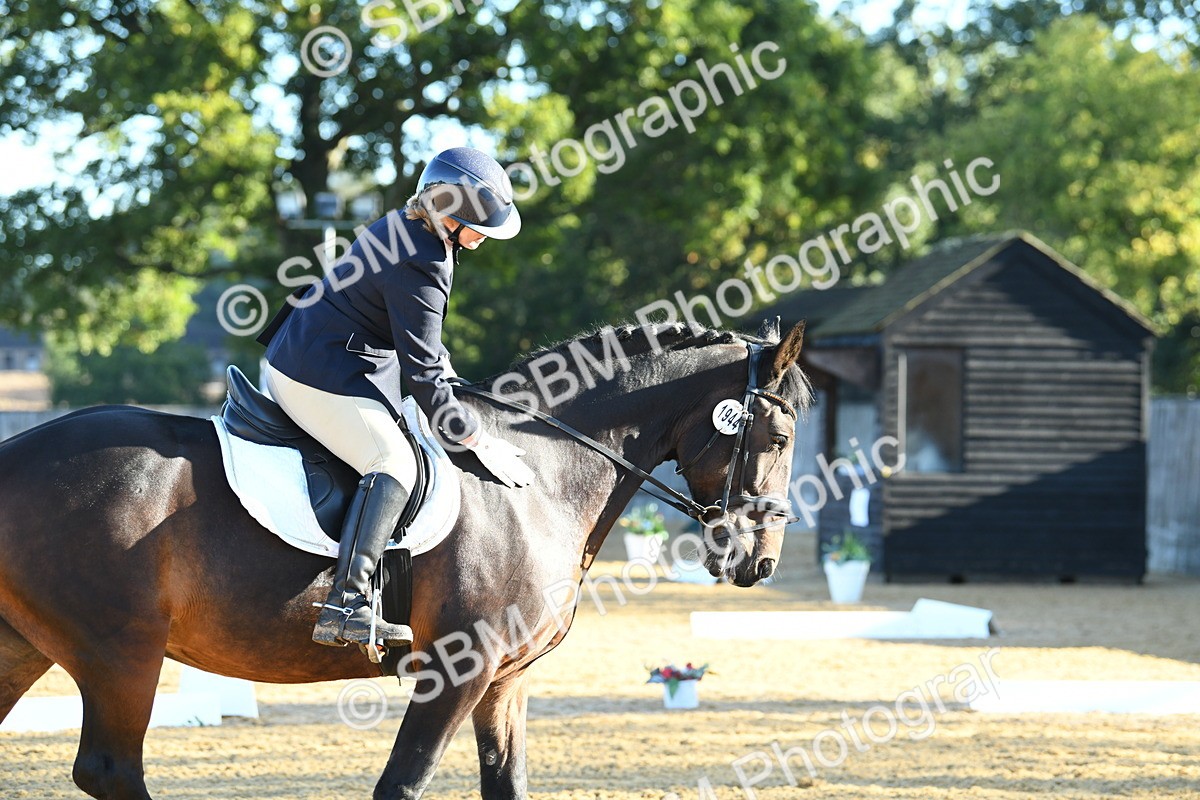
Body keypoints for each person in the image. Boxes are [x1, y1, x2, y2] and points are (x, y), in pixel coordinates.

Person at [256, 147, 535, 650]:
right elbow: (424, 373)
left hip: (328, 355)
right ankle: (347, 604)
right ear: (448, 216)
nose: (479, 243)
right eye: (476, 230)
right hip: (317, 372)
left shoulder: (405, 226)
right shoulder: (422, 258)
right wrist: (473, 435)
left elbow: (422, 341)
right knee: (394, 463)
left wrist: (454, 391)